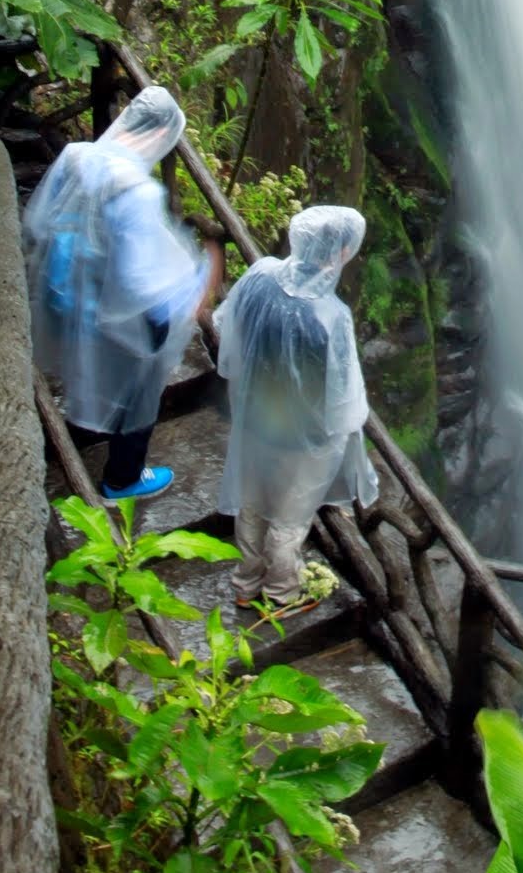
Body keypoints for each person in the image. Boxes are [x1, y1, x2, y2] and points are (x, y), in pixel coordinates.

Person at [25, 85, 218, 500]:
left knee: (97, 366)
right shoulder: (136, 191)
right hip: (117, 315)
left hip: (71, 296)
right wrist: (195, 285)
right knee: (139, 388)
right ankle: (123, 478)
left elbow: (40, 222)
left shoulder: (77, 155)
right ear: (162, 134)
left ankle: (85, 419)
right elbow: (140, 283)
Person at [212, 204, 378, 609]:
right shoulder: (331, 315)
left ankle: (244, 584)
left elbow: (224, 323)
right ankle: (281, 591)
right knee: (290, 515)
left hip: (254, 415)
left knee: (252, 501)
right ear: (339, 253)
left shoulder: (261, 274)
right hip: (302, 435)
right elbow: (343, 395)